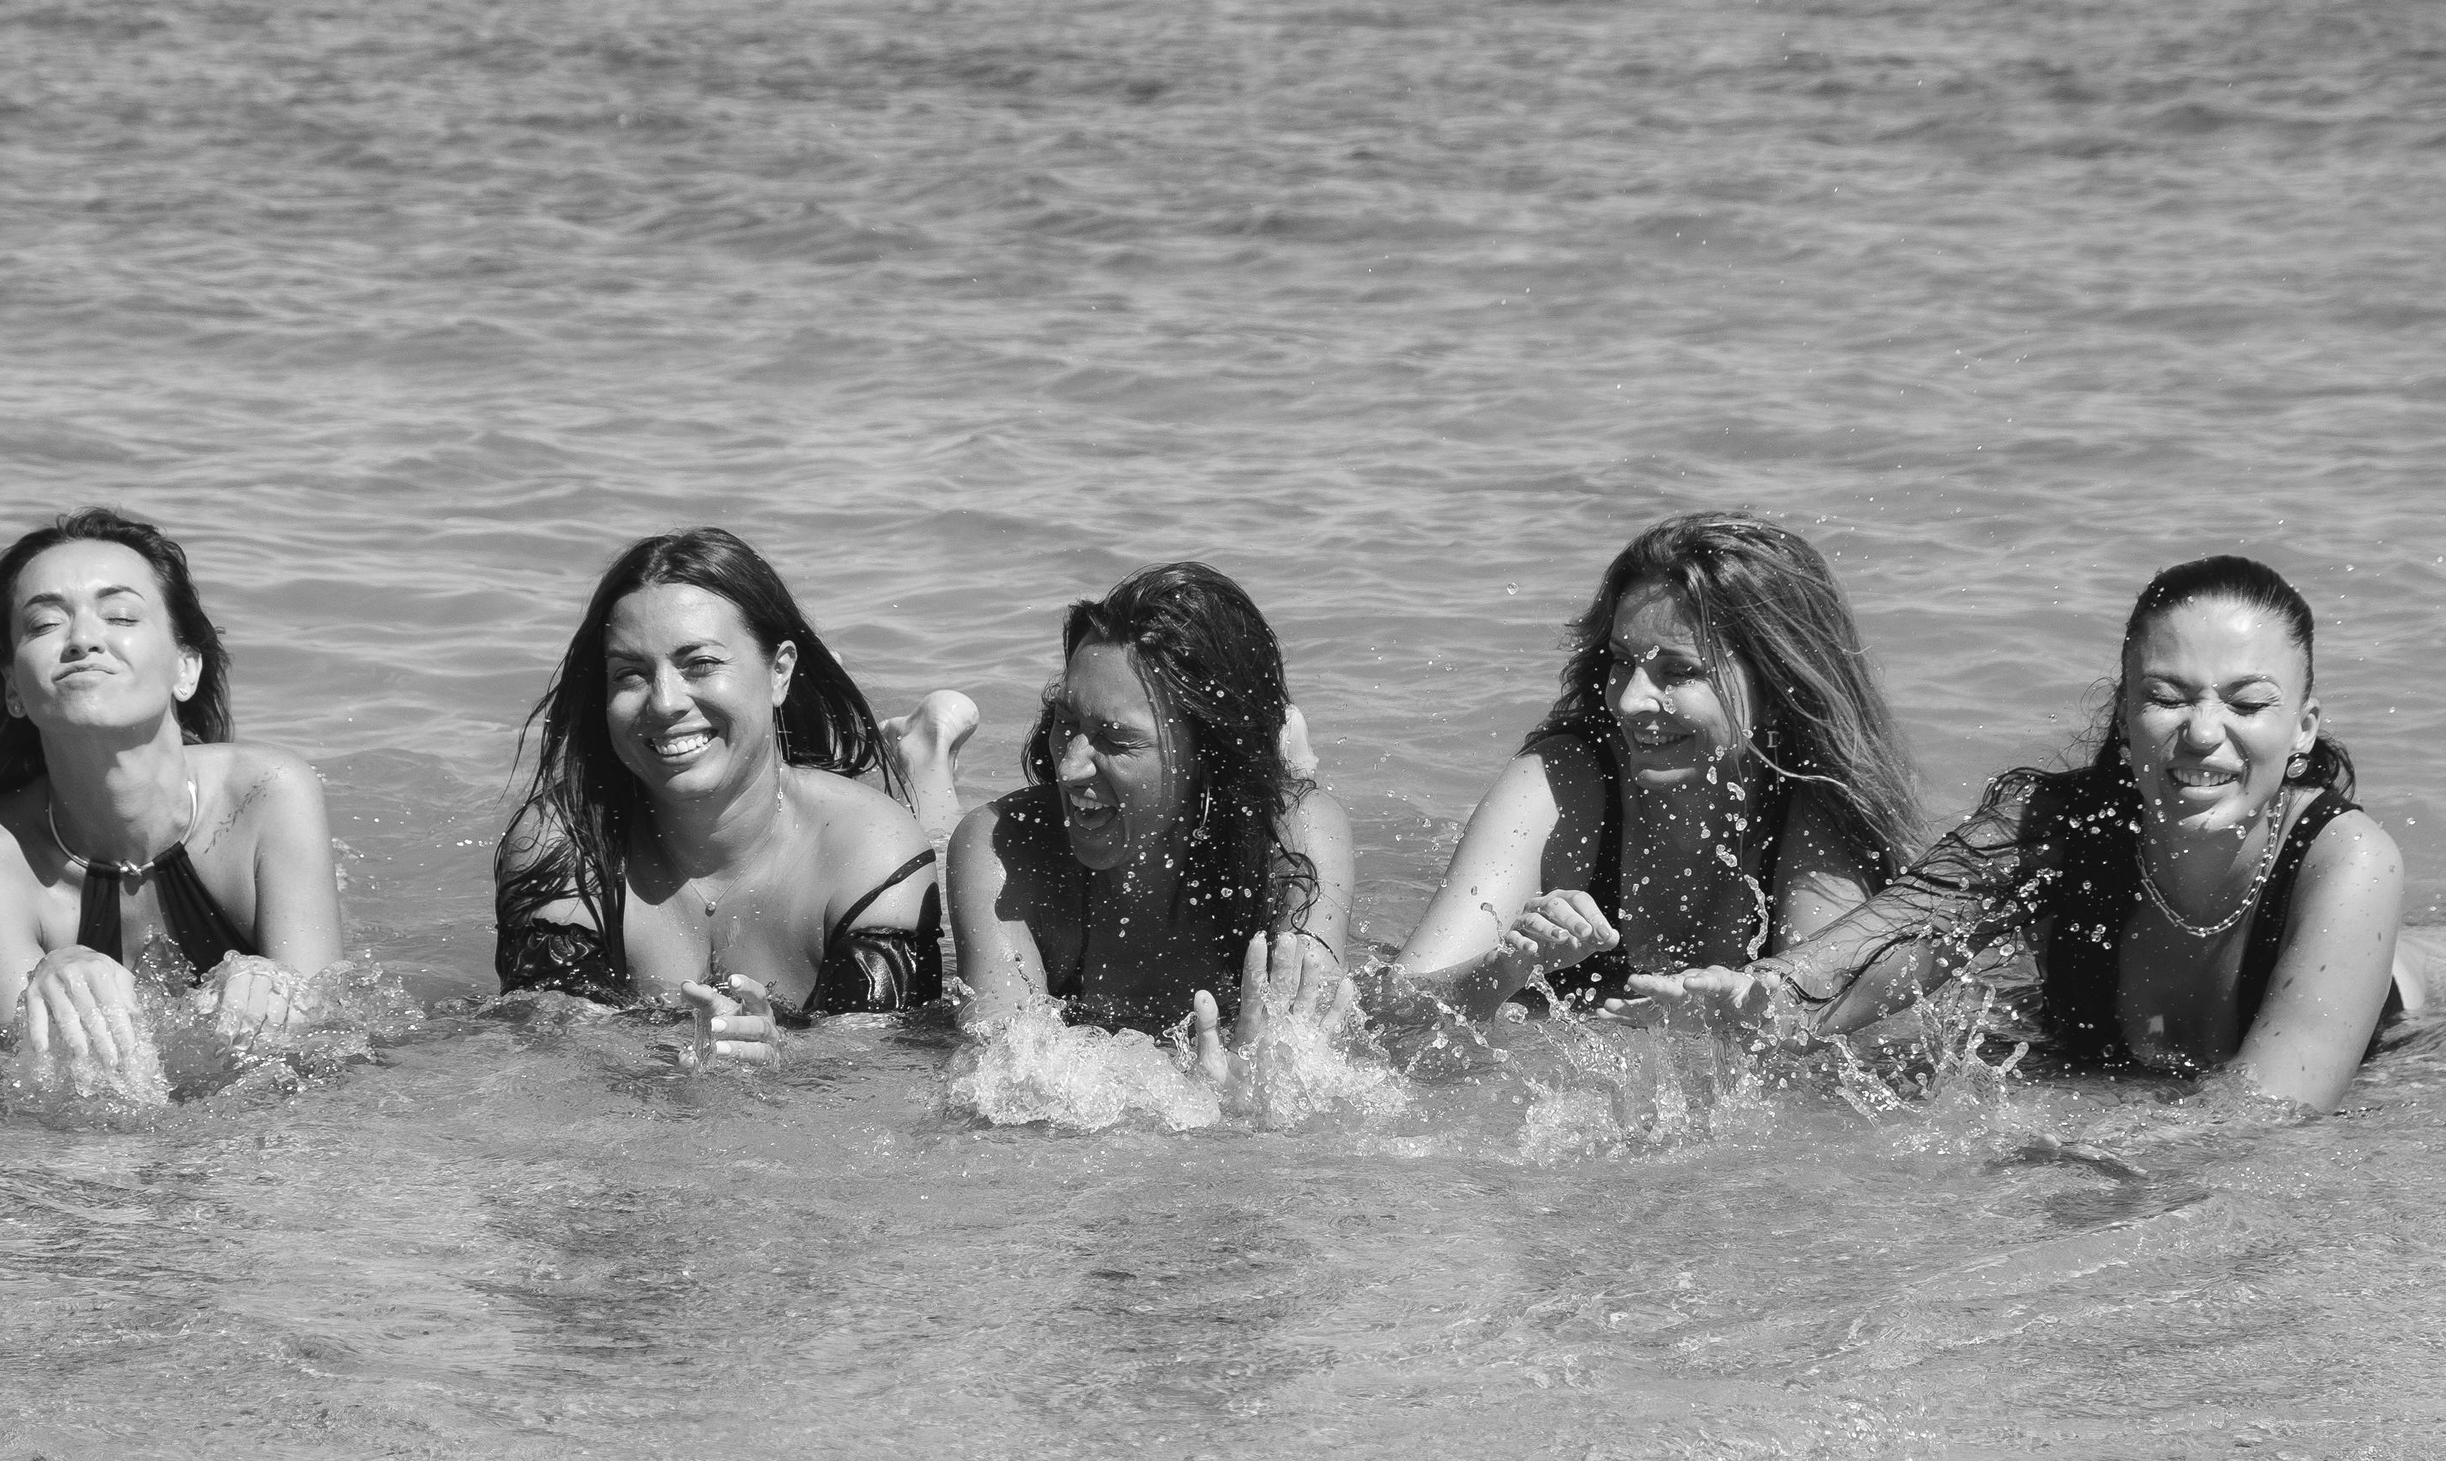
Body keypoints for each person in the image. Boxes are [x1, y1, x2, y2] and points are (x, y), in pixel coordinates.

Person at [1632, 555, 2413, 1114]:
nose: (2204, 733)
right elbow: (1894, 932)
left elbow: (2267, 1111)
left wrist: (2050, 1141)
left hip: (2415, 1038)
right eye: (2167, 697)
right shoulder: (2059, 828)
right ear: (2125, 714)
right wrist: (1763, 995)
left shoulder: (2349, 861)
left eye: (2247, 704)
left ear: (2303, 729)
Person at [1390, 513, 1923, 1018]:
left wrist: (1748, 1014)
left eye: (1679, 672)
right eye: (1623, 662)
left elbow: (1823, 1019)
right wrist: (1507, 965)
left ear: (1780, 682)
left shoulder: (1819, 803)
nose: (1629, 701)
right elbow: (1387, 1017)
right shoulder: (1562, 780)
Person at [494, 527, 975, 1066]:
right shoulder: (563, 845)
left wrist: (787, 1056)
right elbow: (550, 1040)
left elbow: (883, 1060)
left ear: (780, 671)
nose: (664, 702)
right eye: (630, 674)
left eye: (699, 663)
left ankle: (926, 757)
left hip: (834, 828)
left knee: (935, 835)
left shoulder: (871, 851)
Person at [0, 508, 345, 1064]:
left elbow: (326, 1038)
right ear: (13, 690)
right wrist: (48, 976)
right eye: (45, 624)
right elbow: (22, 1085)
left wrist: (277, 987)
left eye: (121, 617)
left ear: (185, 668)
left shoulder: (267, 793)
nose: (83, 639)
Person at [946, 561, 1354, 1076]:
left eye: (1114, 739)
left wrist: (1268, 1080)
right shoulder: (1003, 845)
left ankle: (1284, 749)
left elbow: (1315, 1039)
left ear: (1208, 753)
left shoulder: (1298, 835)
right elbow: (1000, 1069)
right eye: (1065, 721)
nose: (1068, 767)